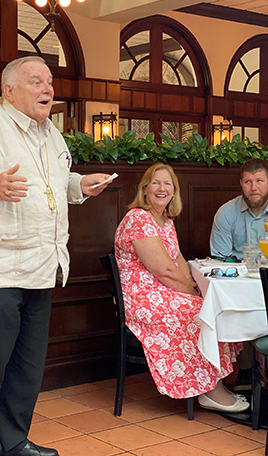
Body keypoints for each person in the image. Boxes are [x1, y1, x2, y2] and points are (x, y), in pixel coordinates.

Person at [0, 56, 112, 456]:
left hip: (42, 268)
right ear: (9, 90)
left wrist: (80, 183)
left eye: (49, 82)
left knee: (25, 369)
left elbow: (54, 183)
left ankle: (12, 442)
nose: (48, 89)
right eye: (36, 82)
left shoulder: (52, 134)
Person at [114, 163, 249, 413]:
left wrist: (192, 286)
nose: (162, 188)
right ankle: (209, 390)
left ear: (174, 191)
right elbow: (163, 270)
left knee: (209, 307)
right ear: (144, 189)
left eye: (168, 184)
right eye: (155, 182)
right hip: (141, 297)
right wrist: (190, 290)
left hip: (162, 291)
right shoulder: (138, 218)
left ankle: (211, 382)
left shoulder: (165, 219)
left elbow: (177, 260)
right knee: (202, 313)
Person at [210, 157, 268, 391]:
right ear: (241, 183)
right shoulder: (227, 212)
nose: (254, 188)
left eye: (260, 181)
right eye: (248, 181)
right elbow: (218, 258)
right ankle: (242, 374)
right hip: (238, 288)